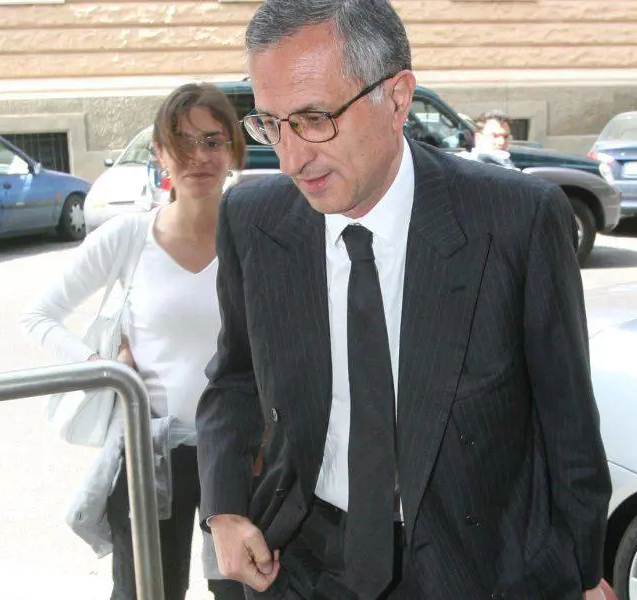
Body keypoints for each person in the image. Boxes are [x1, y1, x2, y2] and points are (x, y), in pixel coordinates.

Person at [196, 1, 611, 599]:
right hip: (302, 563)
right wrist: (226, 507)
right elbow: (235, 377)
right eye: (270, 124)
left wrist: (582, 571)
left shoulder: (515, 221)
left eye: (314, 119)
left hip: (477, 569)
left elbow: (567, 418)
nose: (291, 158)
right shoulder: (252, 219)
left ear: (396, 98)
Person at [22, 82, 247, 600]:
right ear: (160, 154)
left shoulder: (254, 237)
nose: (199, 156)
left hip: (240, 451)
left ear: (233, 150)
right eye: (182, 142)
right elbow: (38, 315)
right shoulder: (128, 237)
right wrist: (106, 368)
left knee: (243, 590)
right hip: (152, 452)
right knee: (146, 592)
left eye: (212, 141)